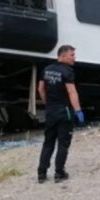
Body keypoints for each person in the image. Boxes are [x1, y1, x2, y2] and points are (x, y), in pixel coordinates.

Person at [37, 45, 84, 184]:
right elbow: (72, 92)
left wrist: (48, 103)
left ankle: (41, 173)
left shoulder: (46, 70)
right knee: (63, 143)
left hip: (50, 111)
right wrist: (78, 111)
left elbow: (41, 89)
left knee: (48, 142)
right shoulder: (68, 71)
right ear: (62, 56)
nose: (74, 57)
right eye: (72, 55)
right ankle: (59, 172)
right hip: (65, 112)